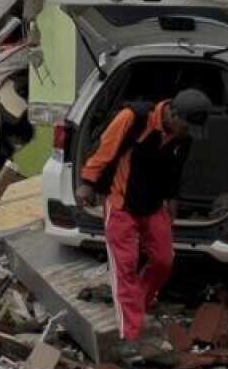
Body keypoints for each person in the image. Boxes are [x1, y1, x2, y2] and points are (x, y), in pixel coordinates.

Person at [76, 89, 211, 341]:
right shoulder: (133, 118)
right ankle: (130, 336)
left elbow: (175, 169)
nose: (188, 134)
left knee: (163, 260)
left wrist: (172, 200)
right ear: (174, 115)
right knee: (124, 268)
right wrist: (87, 182)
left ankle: (137, 303)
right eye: (187, 127)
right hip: (121, 205)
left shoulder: (182, 135)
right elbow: (103, 151)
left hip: (153, 205)